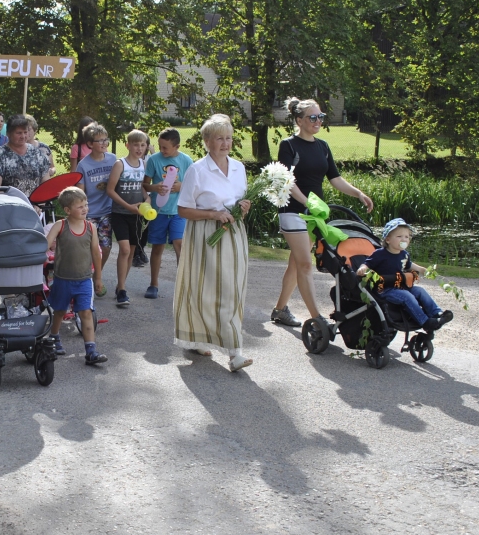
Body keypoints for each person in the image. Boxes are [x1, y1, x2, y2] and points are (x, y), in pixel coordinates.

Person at [270, 97, 373, 328]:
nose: (318, 121)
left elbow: (335, 179)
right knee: (306, 264)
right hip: (294, 211)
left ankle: (279, 310)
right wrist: (306, 202)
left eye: (321, 117)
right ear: (299, 120)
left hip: (314, 214)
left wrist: (358, 194)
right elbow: (287, 180)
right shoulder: (289, 145)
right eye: (313, 117)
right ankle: (316, 317)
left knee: (296, 264)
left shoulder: (322, 146)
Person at [174, 114, 253, 371]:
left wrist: (244, 208)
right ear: (207, 141)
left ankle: (234, 351)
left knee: (233, 289)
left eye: (229, 138)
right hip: (205, 234)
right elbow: (183, 210)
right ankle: (198, 336)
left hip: (234, 233)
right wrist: (213, 214)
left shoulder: (239, 168)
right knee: (203, 289)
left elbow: (240, 201)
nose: (225, 143)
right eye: (219, 138)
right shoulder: (197, 170)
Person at [45, 187, 108, 364]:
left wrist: (98, 277)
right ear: (67, 210)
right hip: (62, 279)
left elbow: (96, 253)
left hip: (84, 279)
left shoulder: (91, 227)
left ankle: (91, 351)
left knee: (86, 312)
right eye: (80, 206)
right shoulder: (60, 226)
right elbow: (46, 244)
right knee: (59, 311)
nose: (85, 209)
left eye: (86, 205)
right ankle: (54, 337)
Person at [357, 218, 453, 331]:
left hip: (400, 286)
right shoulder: (380, 254)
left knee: (420, 291)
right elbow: (368, 263)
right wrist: (362, 268)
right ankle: (425, 321)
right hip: (385, 289)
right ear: (388, 239)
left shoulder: (404, 254)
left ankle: (437, 314)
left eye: (407, 237)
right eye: (399, 237)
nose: (404, 239)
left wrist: (421, 269)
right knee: (408, 297)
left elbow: (409, 265)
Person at [142, 127, 194, 299]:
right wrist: (154, 187)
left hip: (179, 210)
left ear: (177, 146)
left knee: (179, 244)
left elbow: (195, 186)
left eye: (165, 147)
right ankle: (153, 284)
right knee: (158, 247)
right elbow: (145, 185)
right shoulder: (154, 160)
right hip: (159, 212)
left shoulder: (187, 161)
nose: (161, 150)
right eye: (160, 146)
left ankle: (182, 285)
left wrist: (181, 186)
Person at [105, 129, 149, 308]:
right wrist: (127, 206)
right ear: (128, 145)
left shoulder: (144, 164)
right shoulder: (120, 164)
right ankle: (122, 290)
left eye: (143, 145)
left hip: (137, 215)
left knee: (131, 251)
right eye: (136, 145)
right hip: (120, 213)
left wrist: (147, 198)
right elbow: (110, 190)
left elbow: (143, 187)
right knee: (124, 249)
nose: (139, 148)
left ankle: (120, 285)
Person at [75, 123, 117, 296]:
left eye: (105, 140)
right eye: (99, 141)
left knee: (105, 247)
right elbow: (80, 191)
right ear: (90, 144)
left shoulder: (114, 160)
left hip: (107, 211)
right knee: (89, 249)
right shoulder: (83, 165)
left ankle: (96, 276)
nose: (103, 144)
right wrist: (80, 213)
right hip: (90, 213)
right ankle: (85, 279)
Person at [0, 114, 52, 197]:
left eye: (25, 132)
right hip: (10, 206)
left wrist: (40, 204)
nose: (23, 136)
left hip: (36, 206)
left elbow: (46, 183)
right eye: (19, 133)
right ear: (8, 134)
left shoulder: (37, 153)